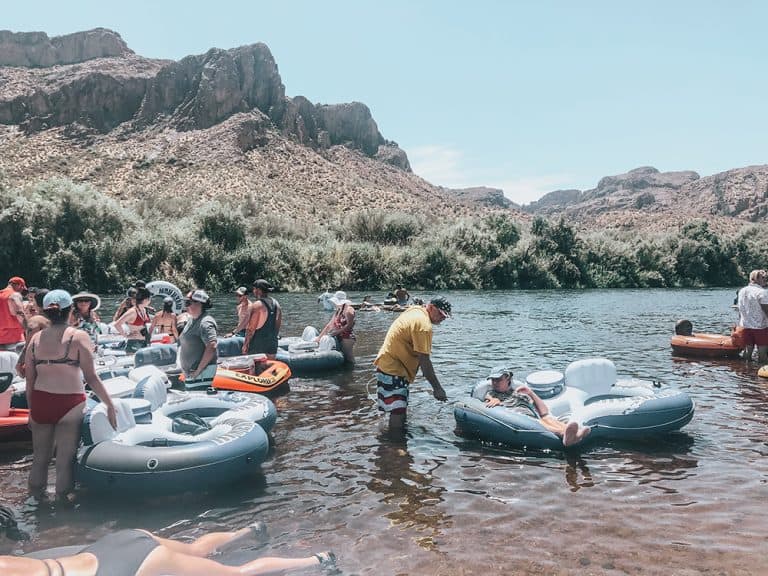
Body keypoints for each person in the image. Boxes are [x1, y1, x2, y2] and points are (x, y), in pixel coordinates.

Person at [0, 508, 337, 575]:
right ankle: (248, 531)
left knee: (236, 574)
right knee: (197, 549)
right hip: (114, 545)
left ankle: (317, 561)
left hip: (131, 567)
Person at [25, 290, 117, 500]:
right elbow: (91, 377)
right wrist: (110, 405)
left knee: (40, 459)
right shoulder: (78, 336)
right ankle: (62, 510)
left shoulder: (36, 339)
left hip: (40, 401)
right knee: (64, 462)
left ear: (45, 313)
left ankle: (35, 505)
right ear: (70, 311)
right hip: (70, 402)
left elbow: (30, 380)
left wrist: (31, 410)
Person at [373, 296, 451, 434]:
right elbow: (425, 362)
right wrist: (437, 388)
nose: (443, 318)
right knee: (397, 411)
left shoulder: (415, 310)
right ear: (431, 307)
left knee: (396, 407)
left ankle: (387, 438)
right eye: (440, 314)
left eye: (445, 316)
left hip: (385, 363)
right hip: (394, 369)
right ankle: (396, 441)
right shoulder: (424, 326)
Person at [483, 366, 591, 447]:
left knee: (548, 419)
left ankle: (574, 434)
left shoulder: (518, 392)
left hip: (534, 416)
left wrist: (530, 393)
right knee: (540, 423)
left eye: (498, 379)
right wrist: (494, 400)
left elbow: (544, 412)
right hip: (520, 419)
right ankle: (564, 434)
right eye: (493, 380)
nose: (495, 383)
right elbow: (489, 398)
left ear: (508, 378)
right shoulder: (492, 393)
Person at [179, 290, 218, 383]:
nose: (186, 306)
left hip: (202, 376)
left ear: (199, 304)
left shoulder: (205, 322)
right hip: (192, 375)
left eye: (188, 303)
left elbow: (212, 346)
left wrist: (198, 371)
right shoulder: (191, 320)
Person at [243, 279, 282, 357]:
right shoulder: (276, 304)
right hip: (272, 345)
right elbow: (277, 326)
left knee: (257, 365)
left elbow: (251, 329)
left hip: (258, 346)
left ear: (258, 290)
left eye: (254, 289)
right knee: (270, 364)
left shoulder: (257, 305)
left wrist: (246, 344)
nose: (253, 291)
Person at [736, 269, 768, 363]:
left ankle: (746, 370)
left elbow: (740, 309)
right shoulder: (762, 292)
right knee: (762, 355)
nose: (765, 280)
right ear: (755, 279)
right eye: (763, 278)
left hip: (745, 326)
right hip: (760, 327)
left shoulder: (742, 291)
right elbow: (766, 310)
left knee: (747, 353)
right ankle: (762, 370)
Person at [317, 290, 356, 364]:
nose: (334, 303)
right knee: (344, 360)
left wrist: (335, 333)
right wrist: (319, 338)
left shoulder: (349, 310)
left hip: (347, 338)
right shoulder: (339, 310)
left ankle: (355, 370)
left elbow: (349, 325)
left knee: (349, 358)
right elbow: (329, 325)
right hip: (339, 336)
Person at [113, 287, 152, 353]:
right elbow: (117, 324)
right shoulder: (132, 312)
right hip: (134, 343)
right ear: (145, 300)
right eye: (149, 299)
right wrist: (126, 336)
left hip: (145, 342)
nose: (150, 301)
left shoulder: (144, 309)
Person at [0, 277, 27, 351]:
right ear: (19, 285)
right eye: (22, 288)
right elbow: (20, 313)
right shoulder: (14, 295)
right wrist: (27, 328)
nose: (21, 291)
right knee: (17, 358)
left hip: (1, 339)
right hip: (15, 338)